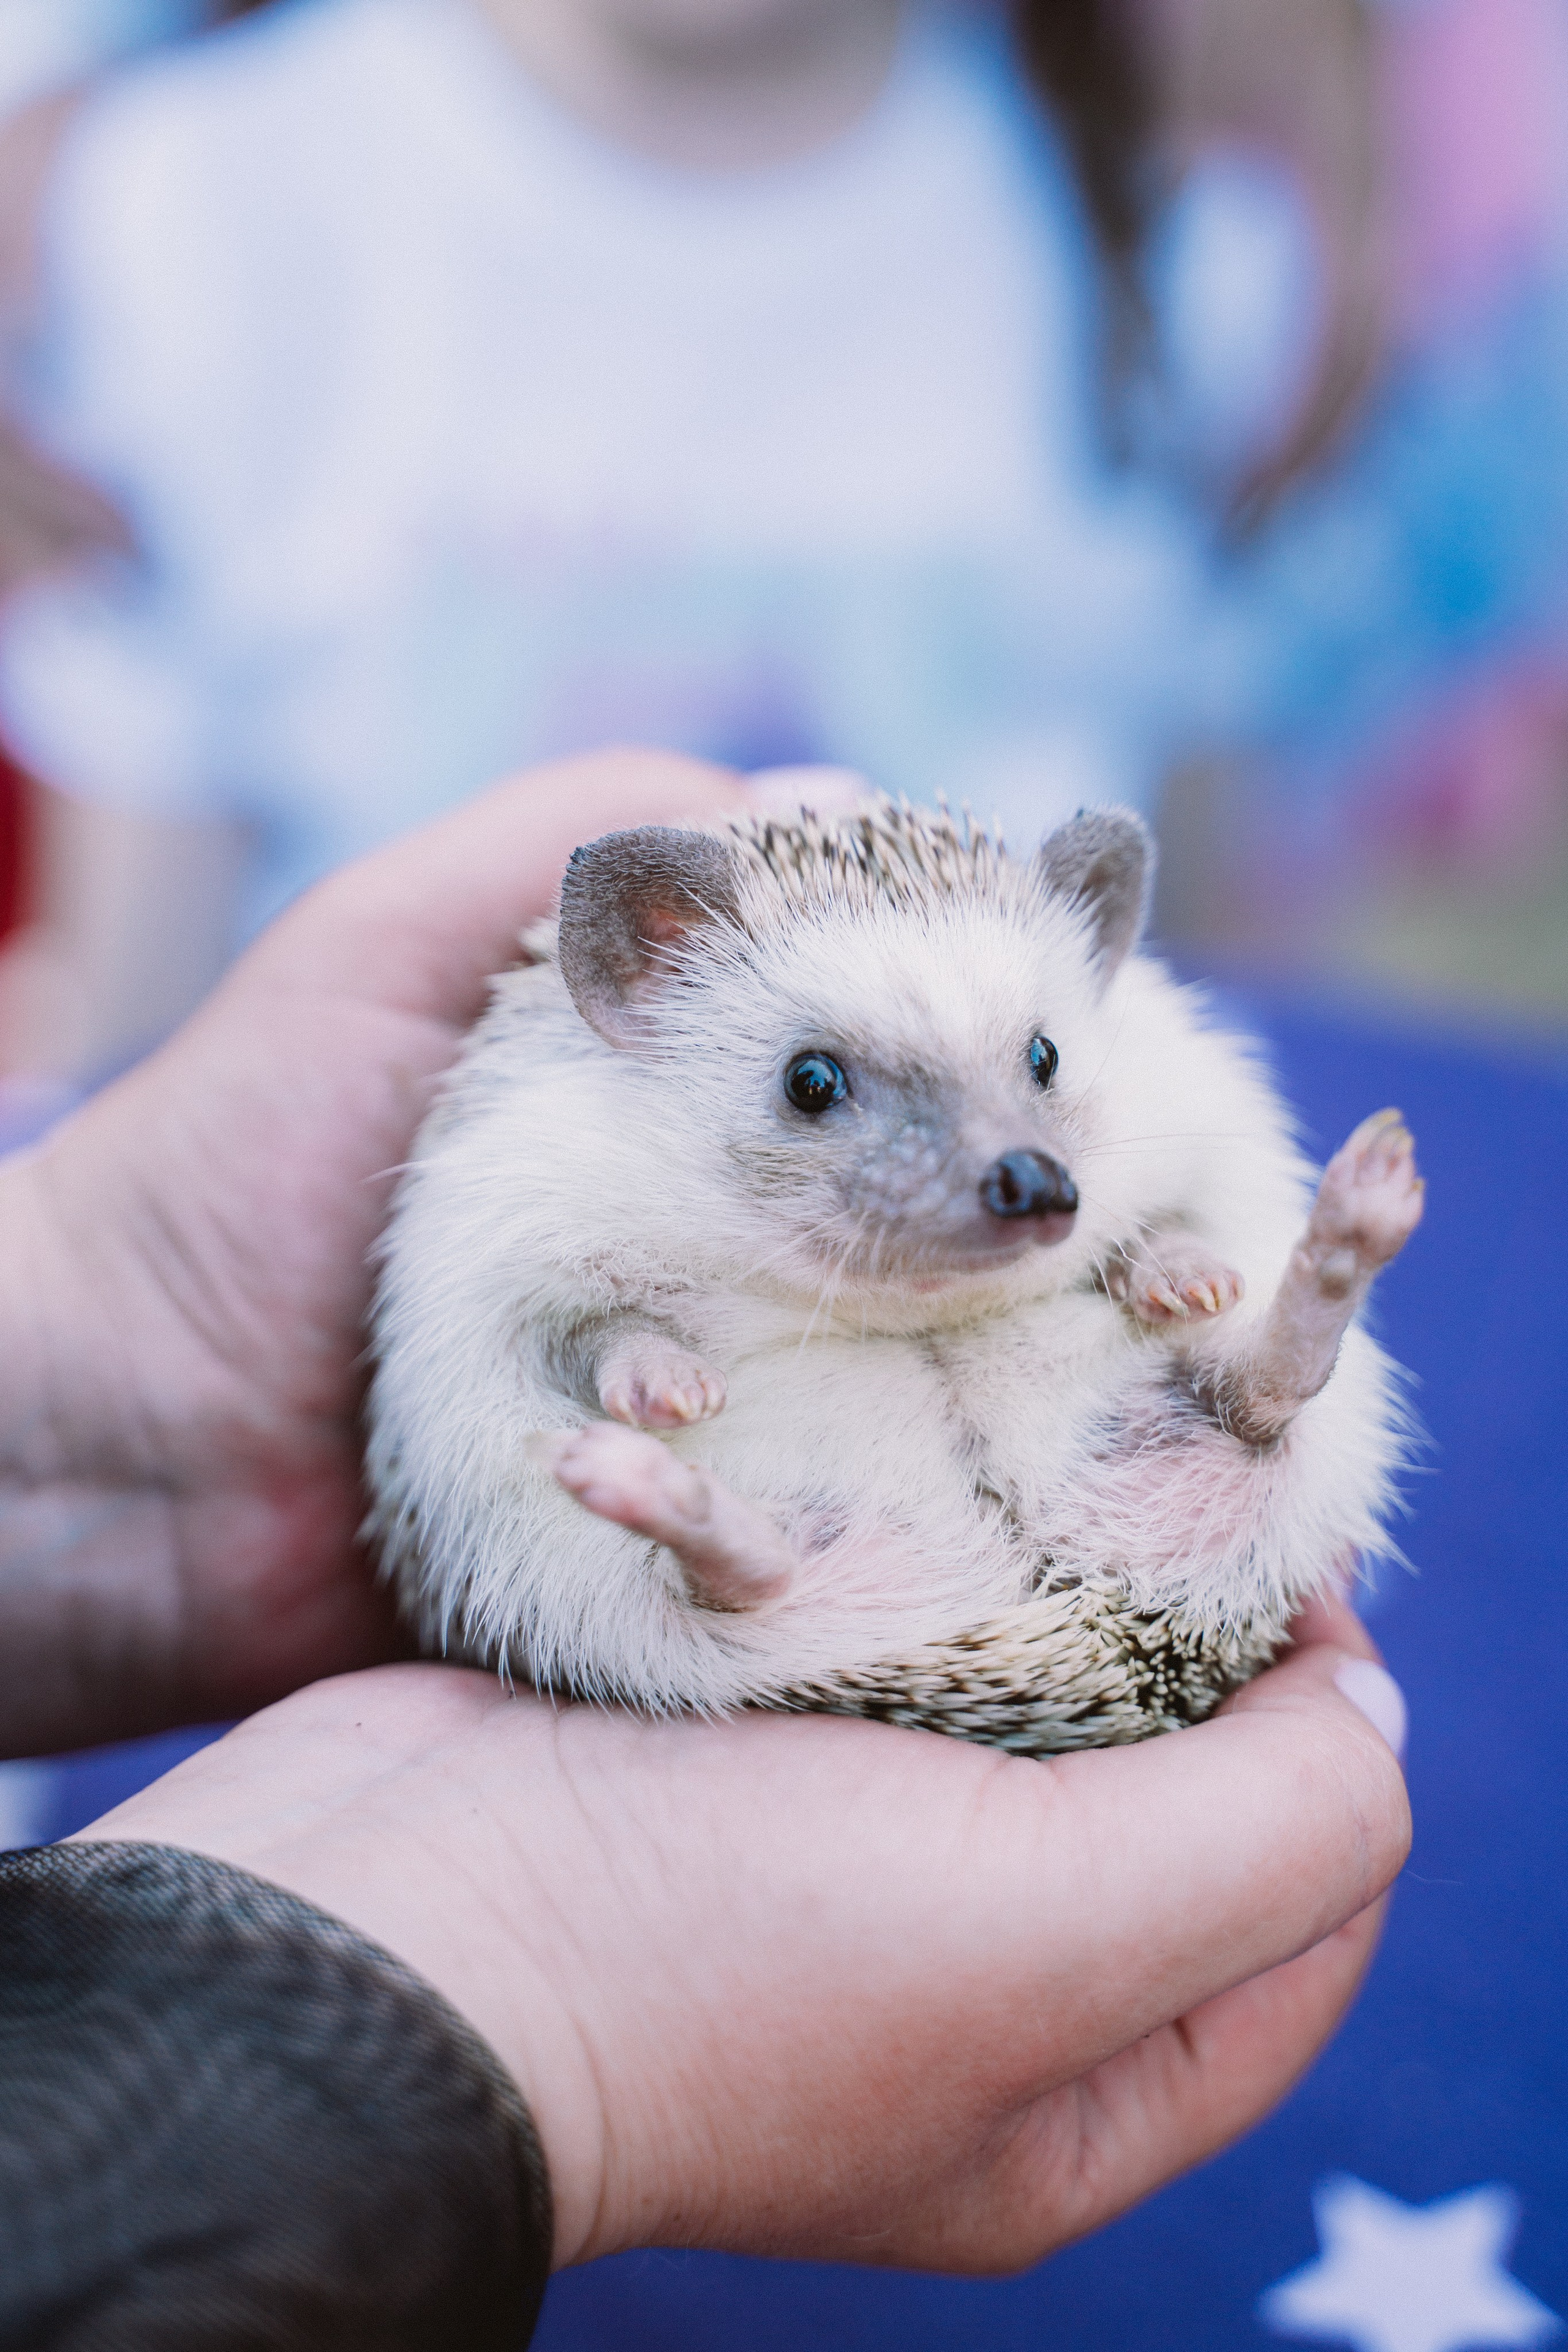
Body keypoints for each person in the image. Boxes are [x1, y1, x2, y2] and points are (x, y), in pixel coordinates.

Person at [0, 747, 1410, 2344]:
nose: (1010, 1167)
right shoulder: (562, 1166)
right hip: (806, 1502)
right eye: (819, 1087)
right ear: (633, 977)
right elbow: (544, 1332)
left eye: (1033, 1063)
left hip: (1044, 1473)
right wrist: (552, 2026)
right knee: (642, 1496)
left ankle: (1217, 1354)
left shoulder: (1138, 1108)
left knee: (1232, 1376)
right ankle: (728, 1556)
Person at [0, 0, 1373, 1088]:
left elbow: (1196, 978)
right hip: (358, 1318)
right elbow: (143, 1051)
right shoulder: (194, 201)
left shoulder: (1175, 234)